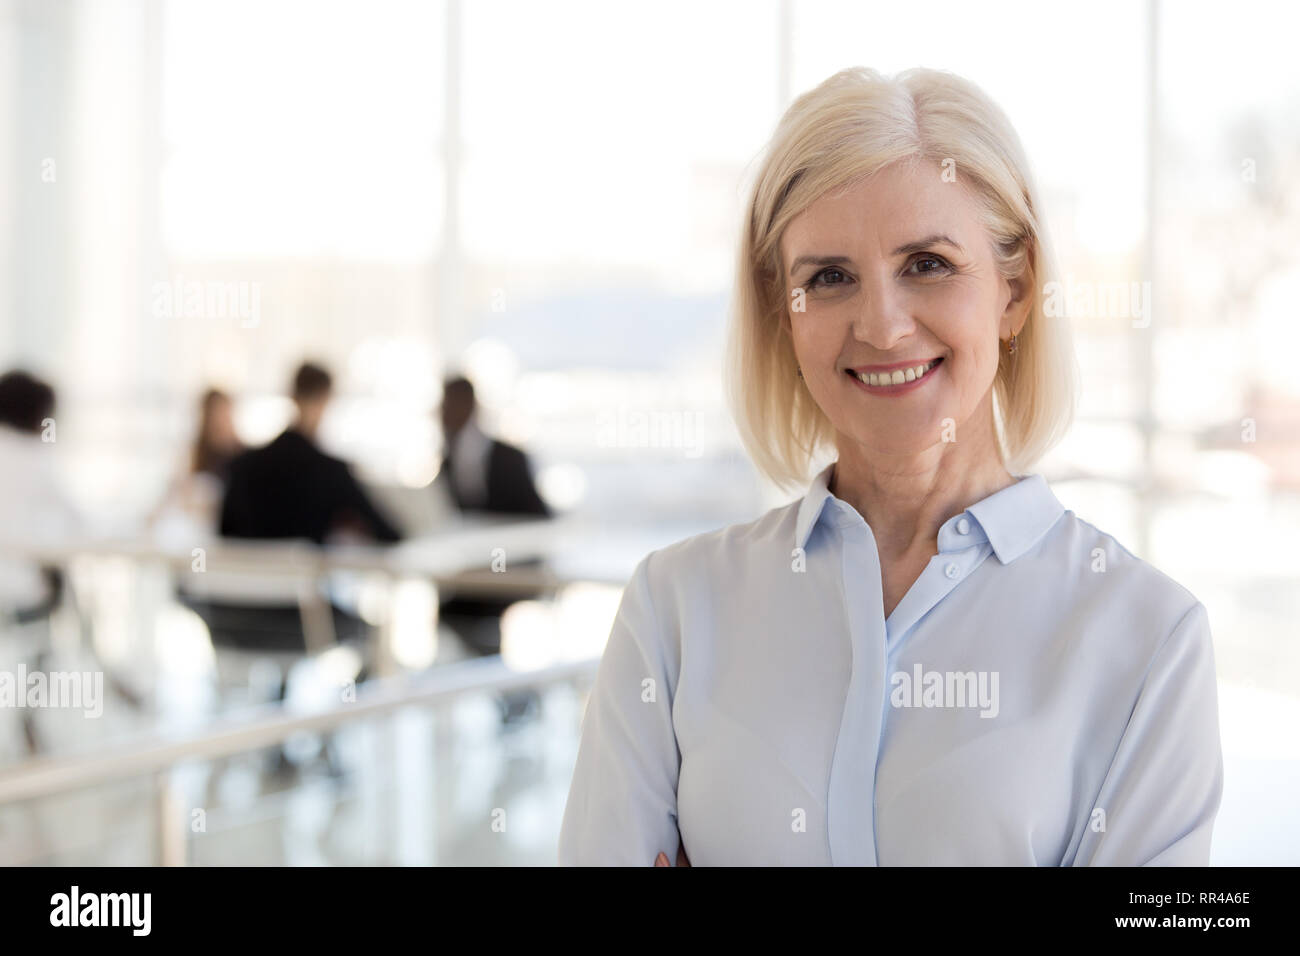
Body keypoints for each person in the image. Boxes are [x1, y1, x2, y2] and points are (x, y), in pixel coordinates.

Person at [559, 67, 1223, 866]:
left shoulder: (1147, 639)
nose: (880, 325)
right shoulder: (672, 614)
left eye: (929, 264)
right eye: (829, 278)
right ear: (784, 314)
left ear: (1015, 292)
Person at [188, 362, 402, 656]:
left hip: (232, 618)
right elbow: (390, 534)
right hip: (300, 620)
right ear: (327, 400)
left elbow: (226, 537)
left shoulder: (241, 467)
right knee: (371, 635)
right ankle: (348, 702)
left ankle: (281, 699)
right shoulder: (331, 472)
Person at [434, 375, 551, 721]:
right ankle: (508, 698)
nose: (442, 414)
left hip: (511, 567)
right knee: (452, 611)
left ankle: (510, 698)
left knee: (473, 612)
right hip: (471, 572)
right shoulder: (447, 460)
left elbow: (539, 519)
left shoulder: (507, 457)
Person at [150, 387, 245, 535]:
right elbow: (173, 494)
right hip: (197, 532)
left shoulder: (242, 455)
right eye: (215, 412)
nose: (220, 418)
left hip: (227, 533)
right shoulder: (193, 455)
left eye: (223, 411)